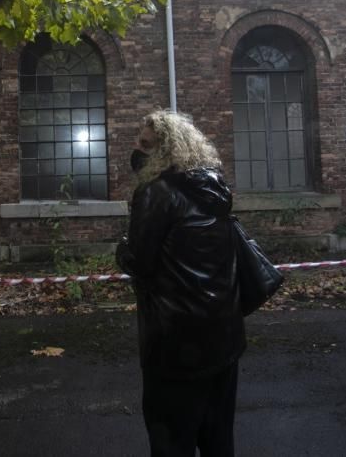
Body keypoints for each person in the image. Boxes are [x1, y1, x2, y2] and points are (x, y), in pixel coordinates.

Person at [116, 110, 246, 457]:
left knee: (171, 440)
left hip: (175, 342)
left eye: (144, 144)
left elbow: (140, 263)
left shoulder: (155, 193)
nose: (136, 148)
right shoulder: (213, 187)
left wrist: (121, 249)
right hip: (224, 336)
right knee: (219, 440)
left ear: (164, 150)